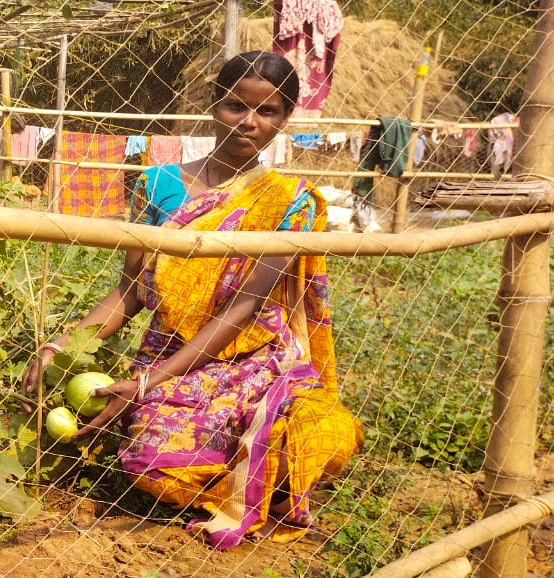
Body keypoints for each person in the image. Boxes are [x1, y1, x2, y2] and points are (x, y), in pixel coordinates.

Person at [22, 51, 363, 551]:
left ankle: (260, 470)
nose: (248, 123)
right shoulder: (157, 185)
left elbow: (244, 305)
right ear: (212, 106)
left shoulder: (291, 201)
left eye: (267, 112)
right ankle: (249, 471)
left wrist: (144, 383)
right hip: (171, 350)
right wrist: (58, 346)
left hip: (252, 355)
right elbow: (132, 291)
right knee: (153, 464)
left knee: (313, 433)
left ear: (285, 120)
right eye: (235, 106)